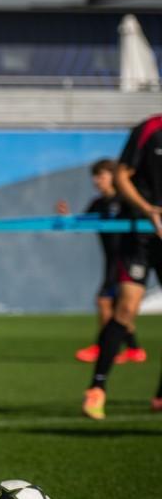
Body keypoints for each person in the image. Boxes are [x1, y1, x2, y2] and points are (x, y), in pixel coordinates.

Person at [84, 115, 162, 419]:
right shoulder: (149, 129)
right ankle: (96, 389)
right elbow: (121, 176)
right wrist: (148, 210)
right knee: (125, 309)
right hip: (142, 233)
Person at [58, 159, 145, 364]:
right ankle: (134, 349)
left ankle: (105, 347)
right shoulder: (98, 204)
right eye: (95, 177)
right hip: (110, 261)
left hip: (127, 260)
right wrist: (67, 218)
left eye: (102, 176)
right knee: (119, 309)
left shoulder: (126, 201)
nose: (98, 181)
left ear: (114, 178)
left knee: (105, 301)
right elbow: (81, 226)